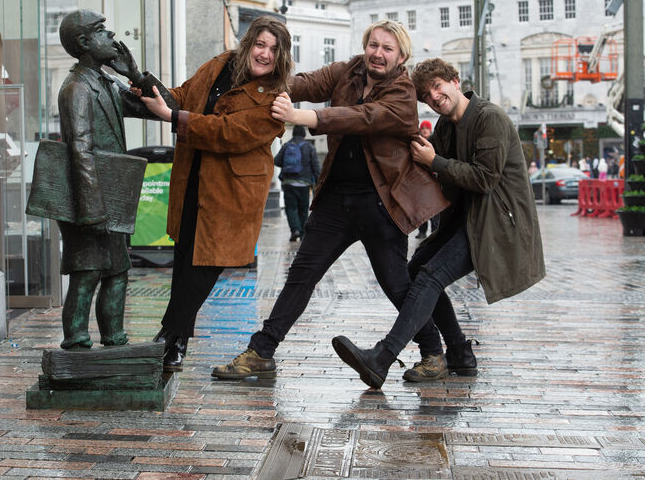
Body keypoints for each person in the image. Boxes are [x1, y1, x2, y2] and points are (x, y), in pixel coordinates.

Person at [212, 20, 449, 380]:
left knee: (397, 284)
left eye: (387, 48)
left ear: (401, 56)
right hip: (335, 200)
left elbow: (361, 118)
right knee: (301, 276)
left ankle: (434, 353)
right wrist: (263, 74)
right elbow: (305, 82)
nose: (377, 53)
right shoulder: (347, 71)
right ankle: (262, 351)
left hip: (381, 204)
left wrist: (300, 116)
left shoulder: (402, 92)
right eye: (373, 44)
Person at [331, 58, 545, 388]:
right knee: (417, 270)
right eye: (427, 95)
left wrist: (436, 161)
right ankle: (459, 353)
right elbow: (441, 176)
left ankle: (383, 357)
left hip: (495, 225)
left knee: (431, 276)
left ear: (455, 82)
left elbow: (484, 179)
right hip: (464, 220)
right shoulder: (446, 127)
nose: (435, 96)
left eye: (438, 87)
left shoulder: (490, 118)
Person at [132, 16, 292, 372]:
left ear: (281, 58)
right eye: (261, 44)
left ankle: (169, 334)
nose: (264, 54)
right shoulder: (220, 64)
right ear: (249, 42)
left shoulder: (274, 101)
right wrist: (152, 92)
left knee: (205, 266)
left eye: (273, 49)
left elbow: (227, 133)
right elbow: (185, 95)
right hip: (194, 178)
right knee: (186, 257)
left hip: (233, 190)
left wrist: (173, 118)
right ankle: (177, 344)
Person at [52, 9, 167, 349]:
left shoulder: (107, 84)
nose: (111, 34)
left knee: (117, 272)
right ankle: (74, 344)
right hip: (88, 202)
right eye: (101, 30)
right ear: (84, 42)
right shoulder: (76, 89)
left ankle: (114, 342)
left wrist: (135, 74)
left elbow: (163, 107)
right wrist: (92, 210)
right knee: (86, 275)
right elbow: (80, 151)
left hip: (110, 201)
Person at [275, 125, 320, 241]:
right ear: (304, 135)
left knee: (290, 208)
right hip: (304, 184)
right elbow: (316, 167)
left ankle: (294, 230)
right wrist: (319, 181)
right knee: (303, 209)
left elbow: (277, 161)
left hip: (288, 183)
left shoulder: (286, 146)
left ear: (293, 134)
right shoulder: (309, 147)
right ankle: (303, 233)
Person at [415, 120, 439, 239]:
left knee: (435, 208)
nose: (424, 130)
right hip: (421, 180)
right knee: (422, 208)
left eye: (427, 128)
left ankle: (435, 230)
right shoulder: (417, 143)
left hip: (434, 179)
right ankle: (422, 230)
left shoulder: (435, 142)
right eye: (423, 128)